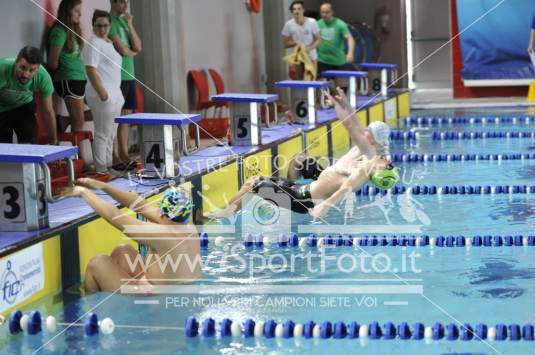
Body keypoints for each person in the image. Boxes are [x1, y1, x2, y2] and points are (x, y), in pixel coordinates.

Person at [209, 88, 399, 220]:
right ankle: (225, 212)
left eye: (368, 131)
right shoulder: (368, 155)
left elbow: (351, 127)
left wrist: (324, 206)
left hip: (303, 200)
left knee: (256, 185)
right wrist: (344, 102)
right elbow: (355, 122)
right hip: (303, 190)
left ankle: (224, 215)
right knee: (253, 182)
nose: (364, 131)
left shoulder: (365, 164)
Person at [62, 178, 201, 293]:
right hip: (170, 292)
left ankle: (89, 307)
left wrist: (83, 192)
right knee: (122, 250)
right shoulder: (187, 225)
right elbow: (141, 205)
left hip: (156, 301)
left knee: (96, 263)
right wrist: (103, 186)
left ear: (162, 213)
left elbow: (114, 216)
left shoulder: (162, 234)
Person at [82, 10, 124, 174]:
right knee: (102, 133)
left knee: (111, 133)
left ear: (110, 26)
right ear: (93, 25)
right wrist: (103, 93)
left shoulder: (108, 43)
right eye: (98, 25)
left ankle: (108, 167)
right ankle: (101, 170)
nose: (102, 28)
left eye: (105, 25)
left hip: (114, 93)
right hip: (102, 94)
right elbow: (91, 69)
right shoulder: (93, 43)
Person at [47, 0, 89, 164]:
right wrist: (63, 73)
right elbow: (52, 61)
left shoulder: (72, 31)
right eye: (76, 11)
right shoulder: (59, 31)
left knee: (88, 116)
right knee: (79, 121)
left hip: (78, 79)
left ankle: (63, 121)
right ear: (67, 12)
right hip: (68, 79)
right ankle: (79, 161)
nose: (80, 14)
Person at [109, 0, 143, 170]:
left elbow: (138, 46)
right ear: (112, 2)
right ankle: (114, 155)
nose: (125, 5)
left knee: (126, 114)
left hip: (129, 74)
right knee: (116, 115)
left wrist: (130, 24)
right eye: (121, 2)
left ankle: (124, 152)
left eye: (126, 2)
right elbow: (122, 49)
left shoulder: (124, 21)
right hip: (117, 75)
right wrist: (132, 51)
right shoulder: (109, 22)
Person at [0, 46, 57, 144]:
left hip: (24, 106)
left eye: (31, 70)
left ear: (38, 69)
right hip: (1, 108)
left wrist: (54, 141)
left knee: (28, 141)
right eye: (22, 68)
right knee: (3, 146)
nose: (25, 74)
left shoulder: (44, 78)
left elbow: (48, 111)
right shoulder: (2, 68)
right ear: (16, 62)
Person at [281, 1, 321, 80]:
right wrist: (295, 43)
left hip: (311, 55)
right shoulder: (288, 24)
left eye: (299, 9)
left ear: (303, 10)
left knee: (311, 80)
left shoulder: (312, 22)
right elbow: (285, 44)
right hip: (298, 55)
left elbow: (319, 40)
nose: (297, 11)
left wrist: (309, 48)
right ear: (292, 11)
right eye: (294, 9)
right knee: (299, 80)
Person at [317, 3, 355, 76]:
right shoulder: (317, 24)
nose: (324, 15)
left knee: (339, 86)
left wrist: (350, 53)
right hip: (322, 61)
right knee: (324, 86)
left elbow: (350, 38)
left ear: (332, 12)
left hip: (338, 61)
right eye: (322, 12)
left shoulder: (340, 24)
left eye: (327, 12)